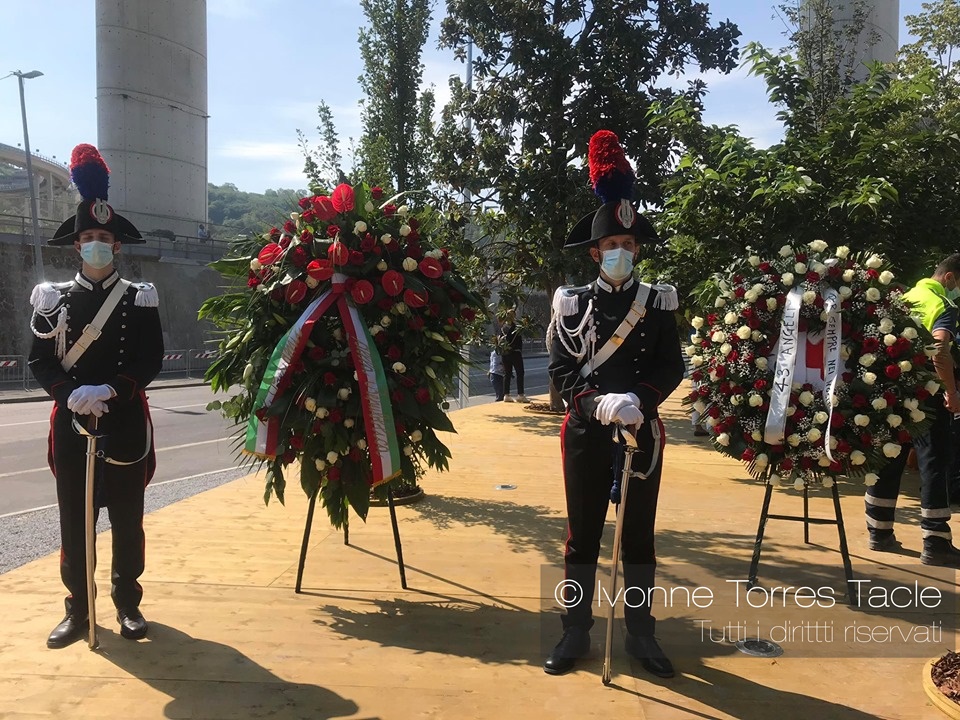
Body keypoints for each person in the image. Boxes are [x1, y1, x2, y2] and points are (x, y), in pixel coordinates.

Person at [545, 130, 685, 678]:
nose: (620, 253)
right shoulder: (571, 303)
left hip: (641, 432)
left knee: (639, 532)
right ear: (595, 252)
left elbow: (670, 366)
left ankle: (641, 634)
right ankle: (574, 630)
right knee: (582, 530)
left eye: (629, 244)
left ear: (637, 249)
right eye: (611, 246)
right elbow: (559, 369)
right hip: (586, 430)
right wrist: (595, 405)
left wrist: (640, 401)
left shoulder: (658, 302)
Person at [28, 144, 164, 648]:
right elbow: (39, 360)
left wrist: (111, 388)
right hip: (73, 423)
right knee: (74, 519)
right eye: (88, 238)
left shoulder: (139, 298)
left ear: (118, 245)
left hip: (124, 420)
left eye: (104, 238)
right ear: (76, 245)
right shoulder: (52, 297)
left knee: (128, 520)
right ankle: (78, 609)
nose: (96, 245)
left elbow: (149, 360)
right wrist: (69, 395)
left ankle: (127, 603)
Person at [864, 253, 960, 567]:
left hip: (892, 392)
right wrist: (951, 390)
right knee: (935, 462)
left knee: (889, 456)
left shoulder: (903, 298)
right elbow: (939, 349)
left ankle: (879, 532)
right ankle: (936, 542)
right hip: (927, 395)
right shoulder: (942, 305)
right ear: (949, 278)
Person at [500, 311, 527, 403]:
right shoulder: (516, 327)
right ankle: (520, 394)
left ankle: (506, 394)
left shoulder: (503, 328)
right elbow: (518, 340)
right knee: (520, 373)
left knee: (507, 374)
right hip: (515, 353)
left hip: (505, 353)